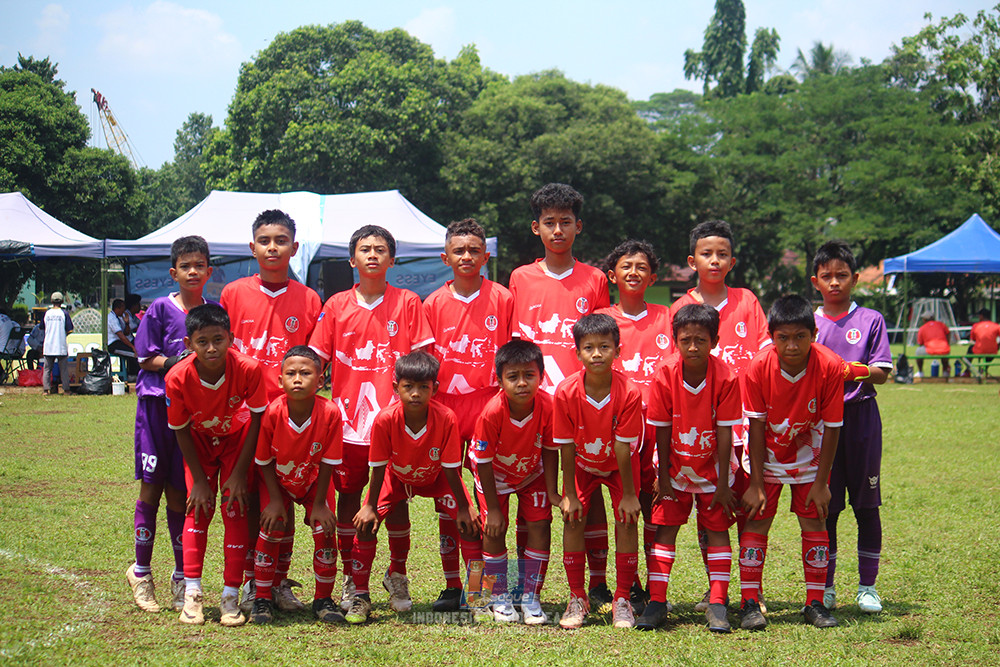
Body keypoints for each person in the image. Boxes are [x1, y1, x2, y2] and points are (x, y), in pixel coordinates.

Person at [309, 225, 435, 614]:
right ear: (352, 260)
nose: (373, 255)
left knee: (394, 500)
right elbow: (316, 362)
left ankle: (397, 572)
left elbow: (426, 363)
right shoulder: (335, 306)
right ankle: (353, 579)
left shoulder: (408, 302)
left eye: (381, 249)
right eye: (365, 249)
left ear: (392, 260)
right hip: (347, 425)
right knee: (349, 499)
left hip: (396, 423)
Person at [508, 183, 614, 613]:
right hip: (532, 407)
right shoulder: (519, 277)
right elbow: (515, 346)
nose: (557, 229)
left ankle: (600, 584)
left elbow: (603, 342)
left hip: (580, 407)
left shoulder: (595, 279)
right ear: (536, 227)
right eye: (549, 222)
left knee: (587, 496)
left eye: (565, 222)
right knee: (529, 492)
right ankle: (521, 587)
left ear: (578, 226)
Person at [221, 209, 322, 614]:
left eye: (281, 240)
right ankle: (250, 582)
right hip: (243, 418)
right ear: (252, 247)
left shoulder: (310, 299)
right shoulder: (232, 293)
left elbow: (314, 364)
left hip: (288, 420)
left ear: (294, 248)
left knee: (279, 499)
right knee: (247, 502)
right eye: (265, 241)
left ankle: (277, 582)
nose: (273, 247)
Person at [670, 220, 770, 613]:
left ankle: (752, 590)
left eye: (722, 254)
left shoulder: (747, 301)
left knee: (745, 508)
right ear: (692, 260)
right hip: (699, 429)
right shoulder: (681, 308)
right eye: (707, 254)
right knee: (707, 509)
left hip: (745, 422)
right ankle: (717, 591)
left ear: (733, 260)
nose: (715, 260)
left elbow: (764, 355)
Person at [348, 351, 479, 624]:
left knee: (470, 525)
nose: (416, 393)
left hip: (438, 478)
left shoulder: (446, 418)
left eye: (424, 387)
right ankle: (361, 595)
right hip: (396, 478)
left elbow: (451, 469)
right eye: (408, 387)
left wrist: (465, 508)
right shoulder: (385, 419)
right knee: (365, 524)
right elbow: (379, 467)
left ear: (435, 388)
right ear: (396, 388)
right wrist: (370, 506)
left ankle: (478, 596)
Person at [423, 217, 514, 611]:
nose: (466, 256)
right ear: (446, 257)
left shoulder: (503, 298)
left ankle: (486, 588)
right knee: (450, 499)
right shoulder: (432, 304)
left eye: (473, 250)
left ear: (485, 256)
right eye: (458, 250)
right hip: (444, 413)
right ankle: (453, 585)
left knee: (488, 500)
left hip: (488, 411)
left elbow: (512, 358)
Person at [739, 294, 844, 631]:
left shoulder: (829, 366)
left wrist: (821, 482)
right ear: (771, 337)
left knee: (815, 523)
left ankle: (814, 603)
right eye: (783, 337)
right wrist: (756, 483)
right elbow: (754, 426)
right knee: (756, 524)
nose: (792, 345)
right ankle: (750, 602)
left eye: (800, 336)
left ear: (814, 335)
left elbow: (832, 429)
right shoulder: (757, 367)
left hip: (809, 454)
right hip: (766, 455)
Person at [638, 304, 742, 633]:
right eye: (686, 340)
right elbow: (661, 429)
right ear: (675, 341)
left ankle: (717, 603)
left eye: (701, 340)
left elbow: (726, 430)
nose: (693, 347)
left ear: (715, 340)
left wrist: (724, 483)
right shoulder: (665, 372)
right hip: (674, 466)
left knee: (716, 530)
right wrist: (664, 478)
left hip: (713, 468)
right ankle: (657, 603)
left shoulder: (726, 376)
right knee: (665, 529)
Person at [126, 236, 215, 614]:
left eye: (199, 265)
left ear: (209, 271)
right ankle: (141, 572)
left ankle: (182, 578)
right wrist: (175, 364)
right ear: (173, 272)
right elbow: (144, 357)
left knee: (181, 495)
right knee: (152, 488)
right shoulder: (161, 308)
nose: (192, 271)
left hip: (192, 414)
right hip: (155, 410)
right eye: (186, 265)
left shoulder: (214, 311)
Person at [166, 303, 268, 626]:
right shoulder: (177, 378)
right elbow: (181, 429)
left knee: (235, 506)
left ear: (231, 339)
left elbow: (256, 419)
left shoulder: (249, 369)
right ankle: (192, 594)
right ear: (188, 344)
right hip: (197, 445)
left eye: (218, 340)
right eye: (202, 341)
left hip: (236, 443)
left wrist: (238, 472)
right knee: (198, 508)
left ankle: (230, 596)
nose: (211, 348)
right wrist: (198, 479)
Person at [812, 240, 893, 614]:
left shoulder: (871, 320)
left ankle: (867, 587)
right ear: (815, 281)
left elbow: (883, 373)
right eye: (826, 276)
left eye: (841, 275)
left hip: (861, 418)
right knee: (825, 507)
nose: (834, 282)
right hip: (821, 424)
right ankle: (824, 587)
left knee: (867, 505)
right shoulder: (809, 323)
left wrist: (848, 370)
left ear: (855, 278)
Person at [596, 239, 674, 612]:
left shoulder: (668, 316)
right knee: (616, 509)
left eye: (641, 267)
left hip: (655, 431)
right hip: (611, 432)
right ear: (612, 276)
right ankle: (619, 585)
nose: (633, 272)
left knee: (649, 507)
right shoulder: (602, 319)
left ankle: (650, 587)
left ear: (653, 276)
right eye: (626, 266)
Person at [554, 314, 643, 629]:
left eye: (604, 346)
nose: (596, 354)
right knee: (573, 517)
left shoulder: (629, 391)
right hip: (581, 465)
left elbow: (623, 448)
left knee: (627, 520)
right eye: (588, 347)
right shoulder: (565, 392)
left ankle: (622, 598)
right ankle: (577, 596)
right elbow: (565, 446)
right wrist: (568, 495)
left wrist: (630, 495)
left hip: (620, 467)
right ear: (577, 353)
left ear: (618, 350)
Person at [251, 346, 345, 624]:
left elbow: (329, 461)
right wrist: (276, 501)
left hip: (315, 480)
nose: (297, 379)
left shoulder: (330, 412)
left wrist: (319, 505)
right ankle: (263, 599)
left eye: (306, 373)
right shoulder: (272, 413)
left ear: (320, 379)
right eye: (290, 373)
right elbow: (264, 460)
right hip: (277, 481)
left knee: (325, 530)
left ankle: (323, 600)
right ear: (279, 380)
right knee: (273, 525)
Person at [470, 339, 560, 624]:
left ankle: (530, 596)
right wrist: (494, 509)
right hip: (494, 476)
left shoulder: (548, 405)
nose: (522, 383)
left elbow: (549, 449)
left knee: (540, 524)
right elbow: (482, 461)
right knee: (495, 529)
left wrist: (553, 491)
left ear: (541, 377)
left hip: (531, 475)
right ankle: (498, 595)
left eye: (529, 375)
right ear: (500, 381)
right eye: (513, 377)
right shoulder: (492, 412)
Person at [42, 292, 73, 395]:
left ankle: (46, 390)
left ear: (51, 301)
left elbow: (42, 327)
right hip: (60, 346)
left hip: (48, 345)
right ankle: (66, 390)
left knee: (47, 369)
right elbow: (69, 330)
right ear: (62, 301)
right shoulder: (64, 313)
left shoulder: (47, 313)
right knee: (63, 369)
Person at [108, 298, 139, 377]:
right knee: (133, 354)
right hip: (113, 344)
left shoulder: (118, 318)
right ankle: (132, 375)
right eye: (123, 308)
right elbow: (121, 336)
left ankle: (132, 374)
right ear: (118, 308)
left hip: (119, 342)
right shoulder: (112, 319)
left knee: (136, 352)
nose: (124, 310)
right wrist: (132, 347)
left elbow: (126, 333)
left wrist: (127, 323)